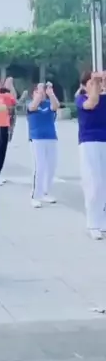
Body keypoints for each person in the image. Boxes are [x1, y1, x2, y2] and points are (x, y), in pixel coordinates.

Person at [75, 71, 106, 239]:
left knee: (104, 184)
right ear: (84, 85)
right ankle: (93, 224)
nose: (97, 84)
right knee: (95, 183)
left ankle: (102, 221)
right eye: (92, 82)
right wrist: (96, 82)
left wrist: (102, 79)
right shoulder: (81, 99)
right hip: (89, 142)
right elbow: (92, 103)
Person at [27, 82, 60, 208]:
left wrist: (51, 93)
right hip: (37, 139)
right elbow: (33, 106)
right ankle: (35, 195)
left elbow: (56, 106)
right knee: (39, 167)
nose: (41, 93)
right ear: (33, 93)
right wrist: (40, 93)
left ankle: (45, 192)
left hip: (51, 138)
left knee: (51, 166)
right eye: (37, 91)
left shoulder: (48, 103)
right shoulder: (30, 104)